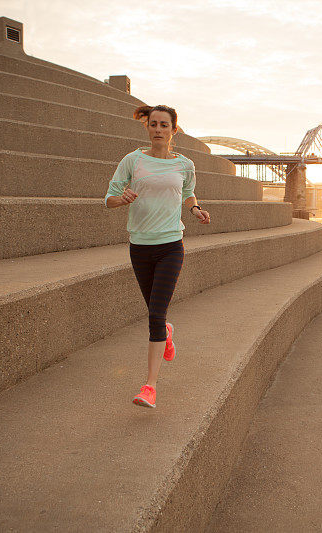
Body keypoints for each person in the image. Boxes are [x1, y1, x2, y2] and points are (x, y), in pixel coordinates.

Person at [104, 104, 211, 408]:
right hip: (140, 246)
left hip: (170, 246)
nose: (158, 130)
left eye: (165, 125)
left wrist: (195, 209)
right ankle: (165, 332)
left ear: (174, 130)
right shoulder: (132, 161)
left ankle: (149, 386)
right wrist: (120, 199)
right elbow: (109, 197)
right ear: (147, 128)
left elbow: (188, 192)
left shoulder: (184, 165)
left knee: (154, 313)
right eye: (154, 125)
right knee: (155, 311)